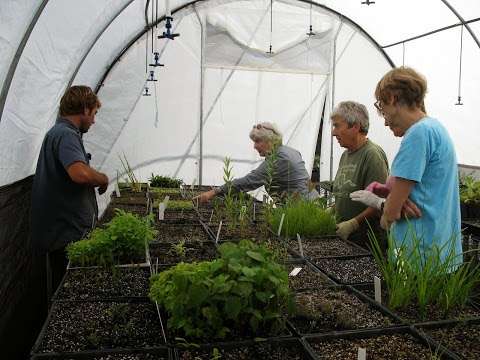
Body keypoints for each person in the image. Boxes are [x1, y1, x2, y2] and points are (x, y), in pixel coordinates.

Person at [352, 67, 462, 266]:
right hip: (440, 250)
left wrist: (385, 210)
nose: (384, 119)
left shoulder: (417, 134)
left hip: (419, 254)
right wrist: (394, 201)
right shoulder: (436, 128)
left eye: (381, 105)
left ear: (392, 98)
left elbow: (391, 214)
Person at [31, 85, 109, 300]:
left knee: (66, 293)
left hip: (63, 232)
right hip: (66, 235)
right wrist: (103, 178)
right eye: (93, 114)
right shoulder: (65, 135)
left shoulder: (61, 133)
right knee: (68, 295)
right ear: (85, 109)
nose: (94, 120)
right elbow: (79, 174)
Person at [195, 122, 309, 203]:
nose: (255, 146)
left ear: (270, 141)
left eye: (258, 141)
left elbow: (250, 181)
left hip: (303, 209)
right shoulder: (290, 151)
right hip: (308, 205)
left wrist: (214, 192)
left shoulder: (279, 158)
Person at [330, 101, 389, 246]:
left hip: (367, 241)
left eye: (337, 126)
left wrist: (353, 224)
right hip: (346, 239)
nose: (333, 132)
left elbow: (379, 201)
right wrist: (332, 210)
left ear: (355, 126)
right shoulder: (345, 156)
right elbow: (345, 193)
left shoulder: (372, 155)